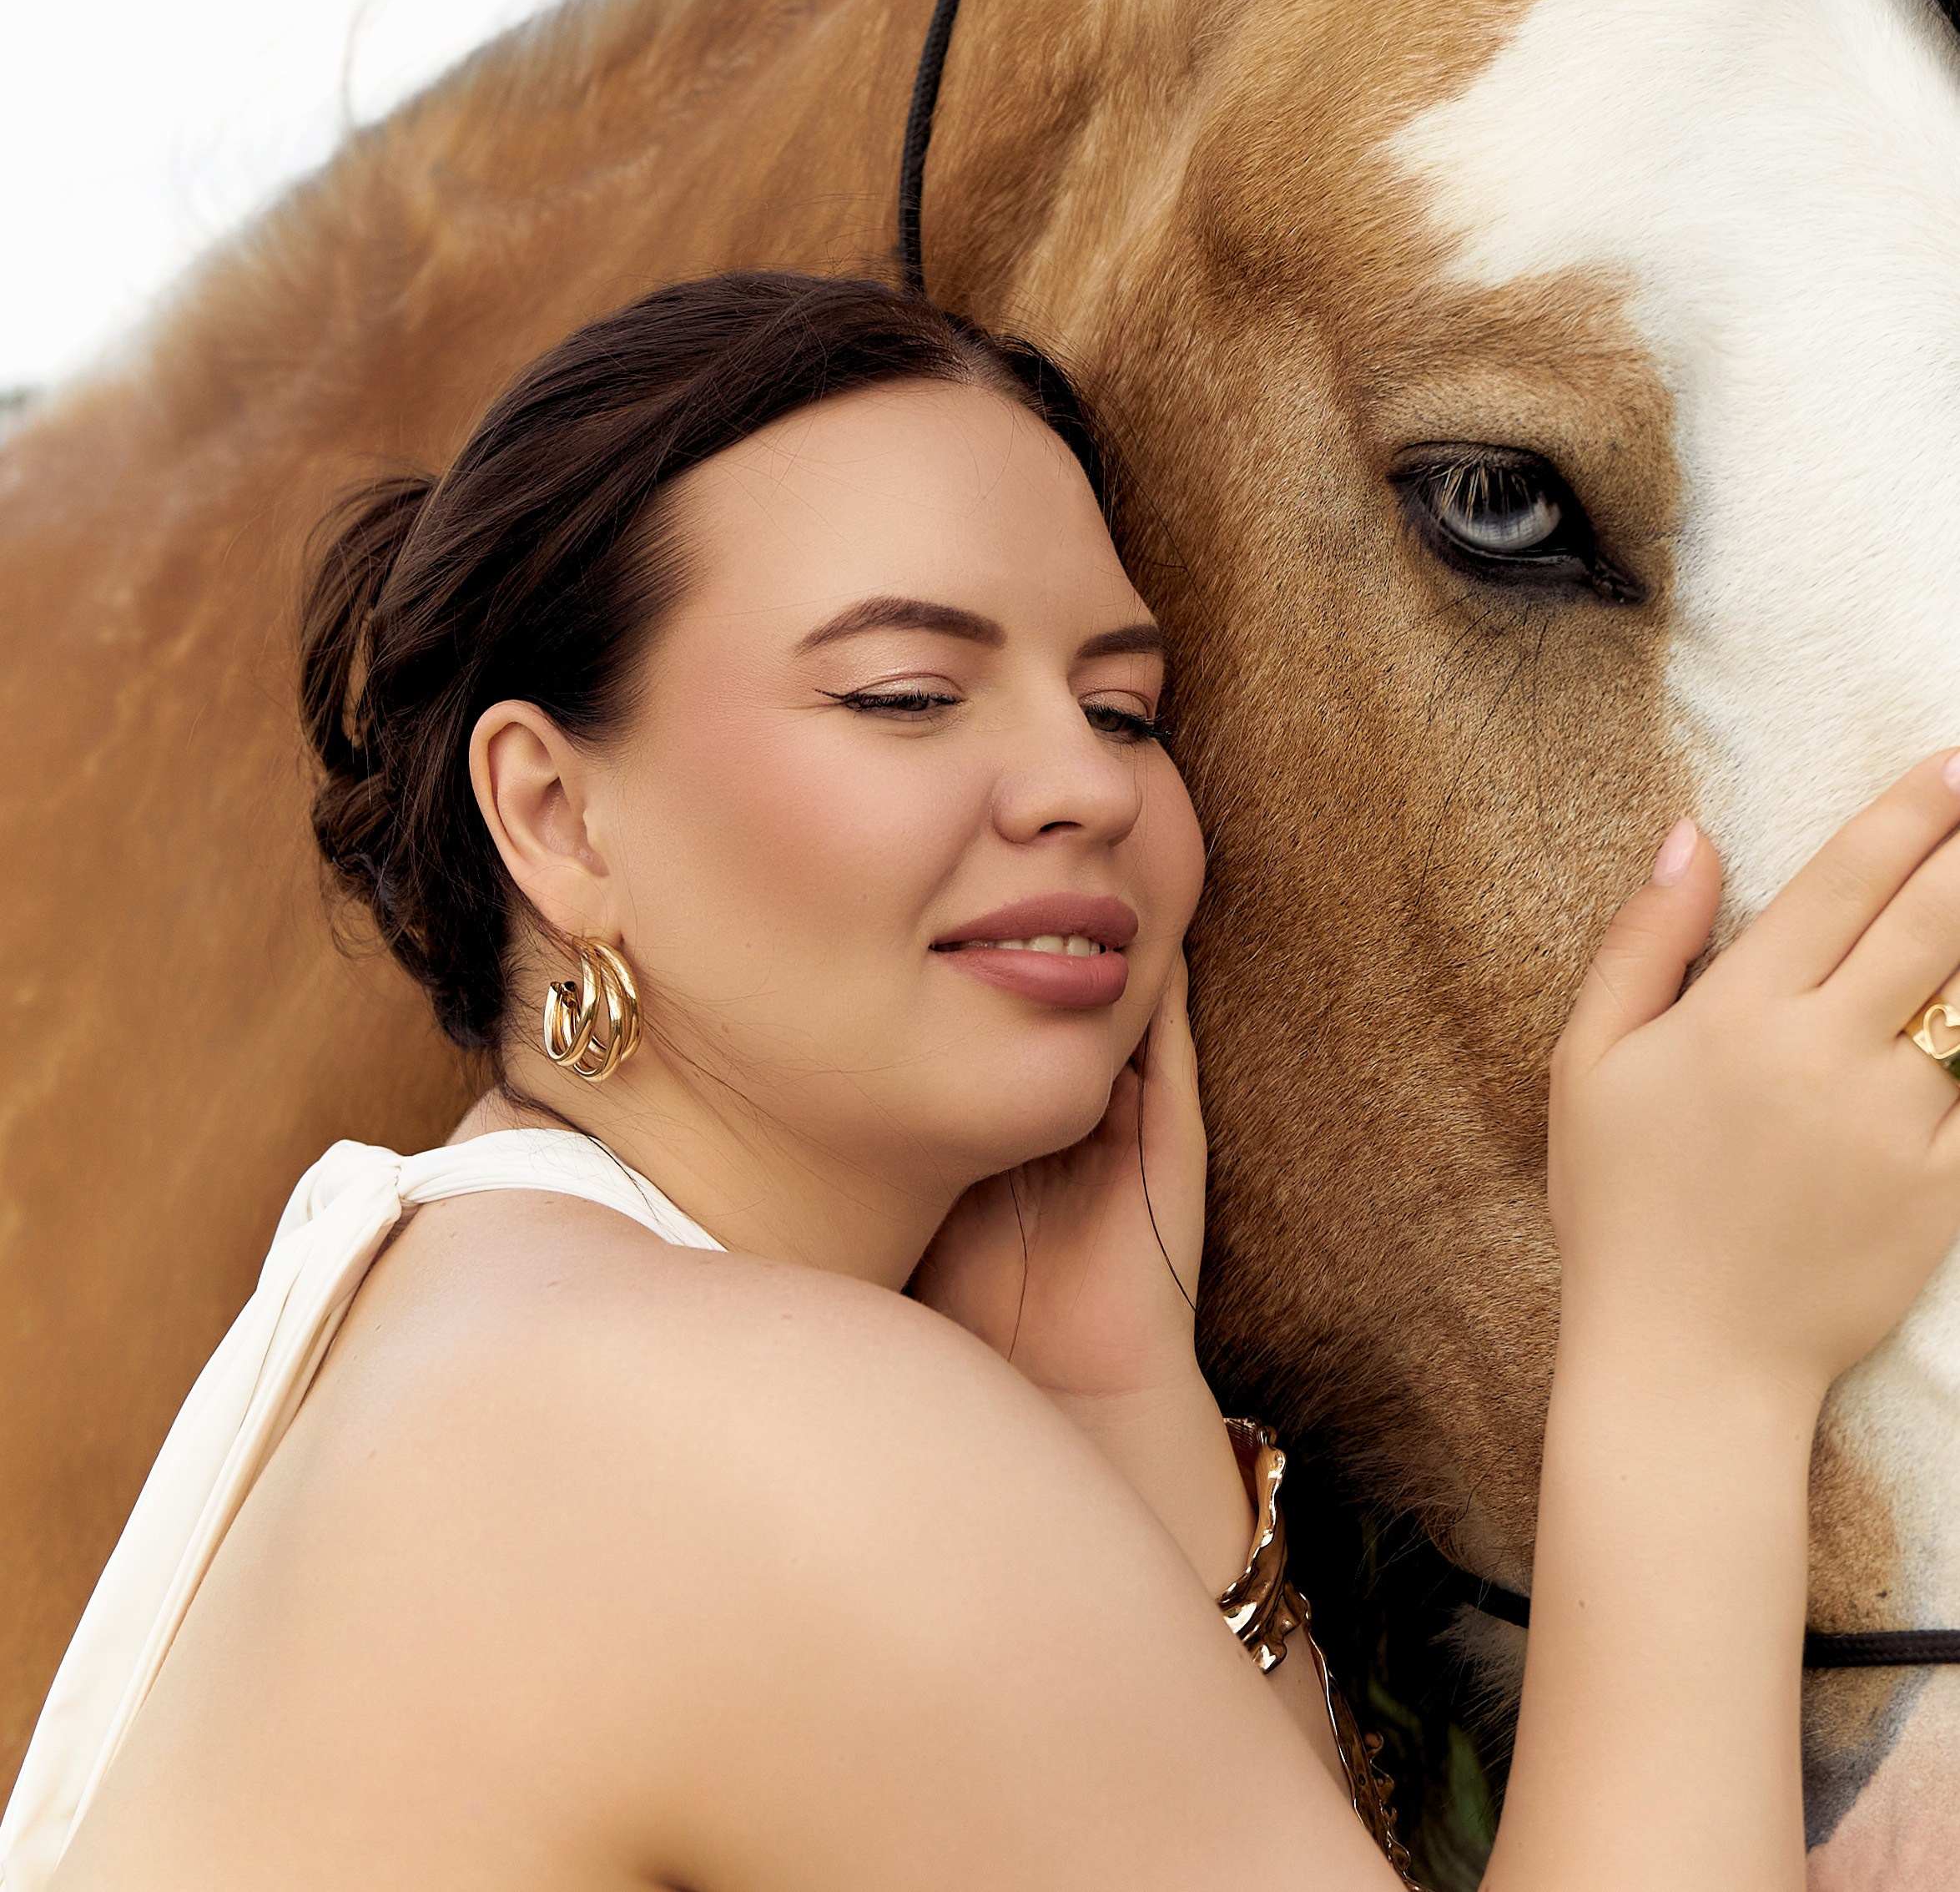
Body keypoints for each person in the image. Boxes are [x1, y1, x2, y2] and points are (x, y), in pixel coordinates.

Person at [8, 269, 1959, 1892]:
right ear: (552, 811)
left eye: (1124, 706)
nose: (1083, 781)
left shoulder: (487, 1313)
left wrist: (1121, 1412)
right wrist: (1694, 1357)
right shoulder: (706, 1412)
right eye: (905, 694)